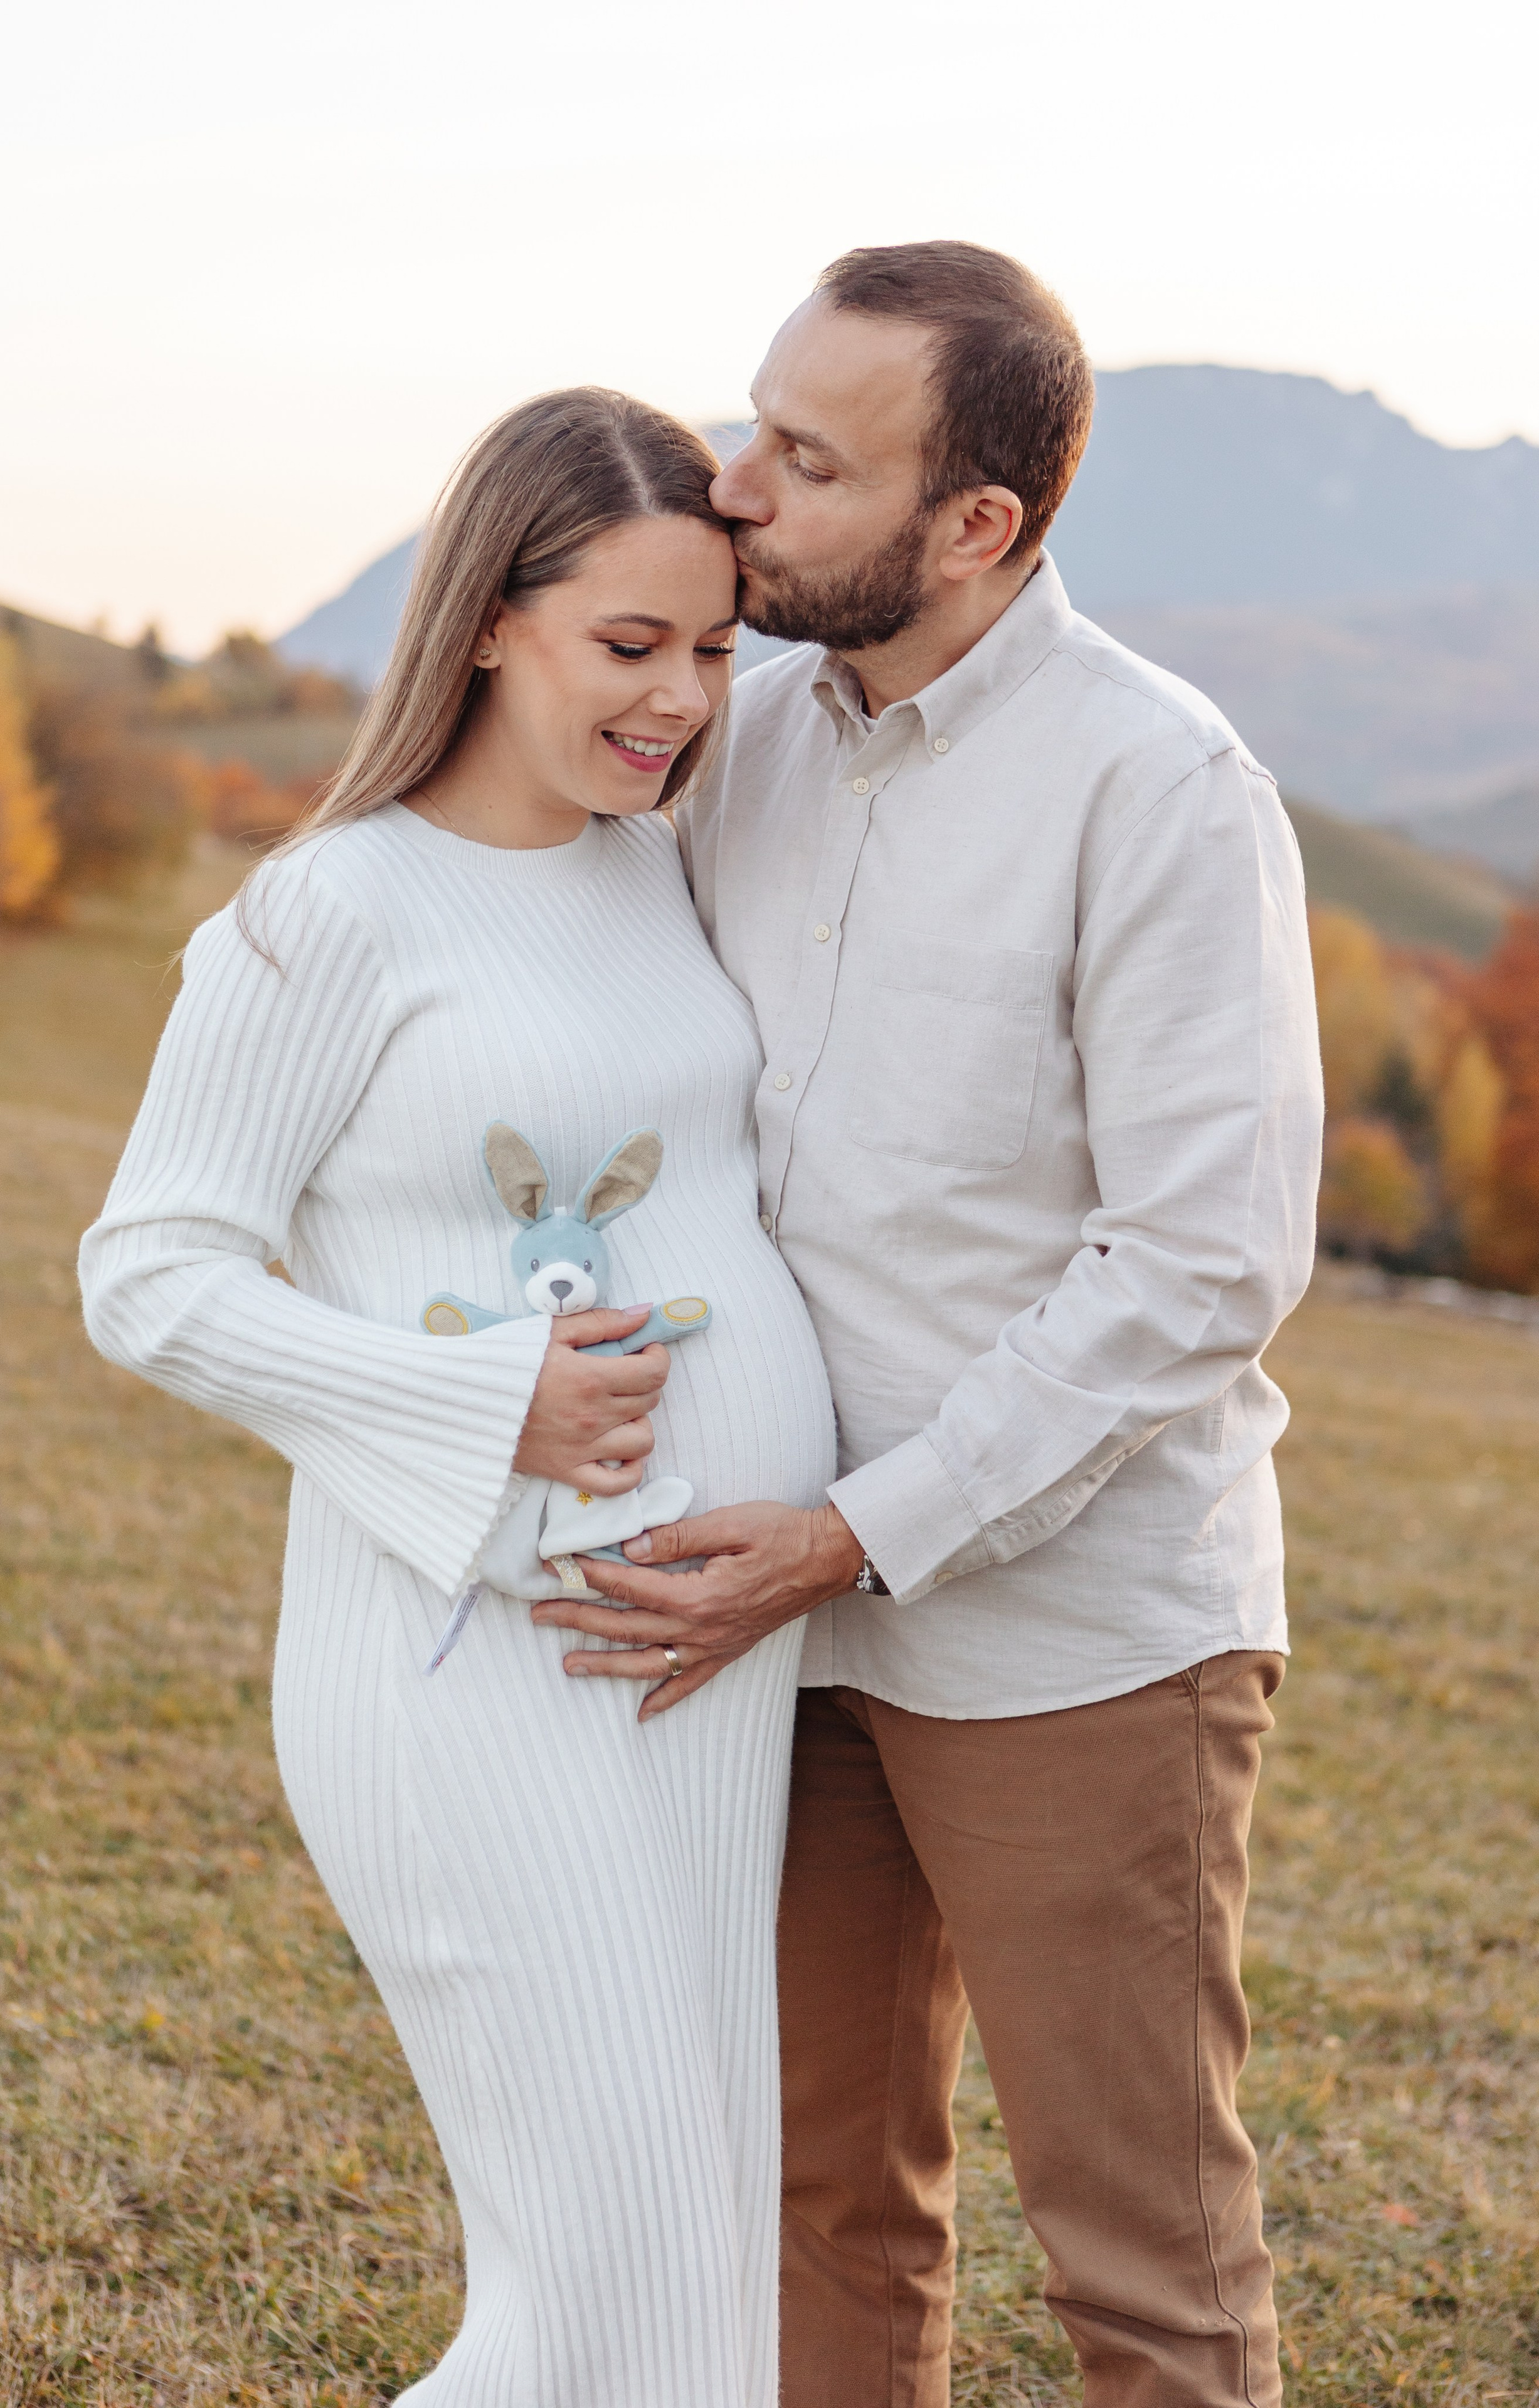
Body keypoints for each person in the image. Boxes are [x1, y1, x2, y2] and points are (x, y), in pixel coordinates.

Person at [546, 244, 1325, 2405]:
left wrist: (863, 1526)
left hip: (1074, 1633)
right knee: (813, 2210)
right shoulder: (739, 723)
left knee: (1144, 2269)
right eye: (755, 422)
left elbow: (1204, 1263)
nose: (735, 490)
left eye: (809, 459)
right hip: (773, 1623)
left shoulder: (1161, 790)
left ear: (975, 527)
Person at [77, 389, 838, 2408]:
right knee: (604, 2302)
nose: (680, 698)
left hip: (691, 1675)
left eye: (711, 646)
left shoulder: (649, 871)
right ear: (491, 618)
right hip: (467, 1677)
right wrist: (483, 1402)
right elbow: (143, 1276)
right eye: (628, 646)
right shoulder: (331, 911)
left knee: (694, 2292)